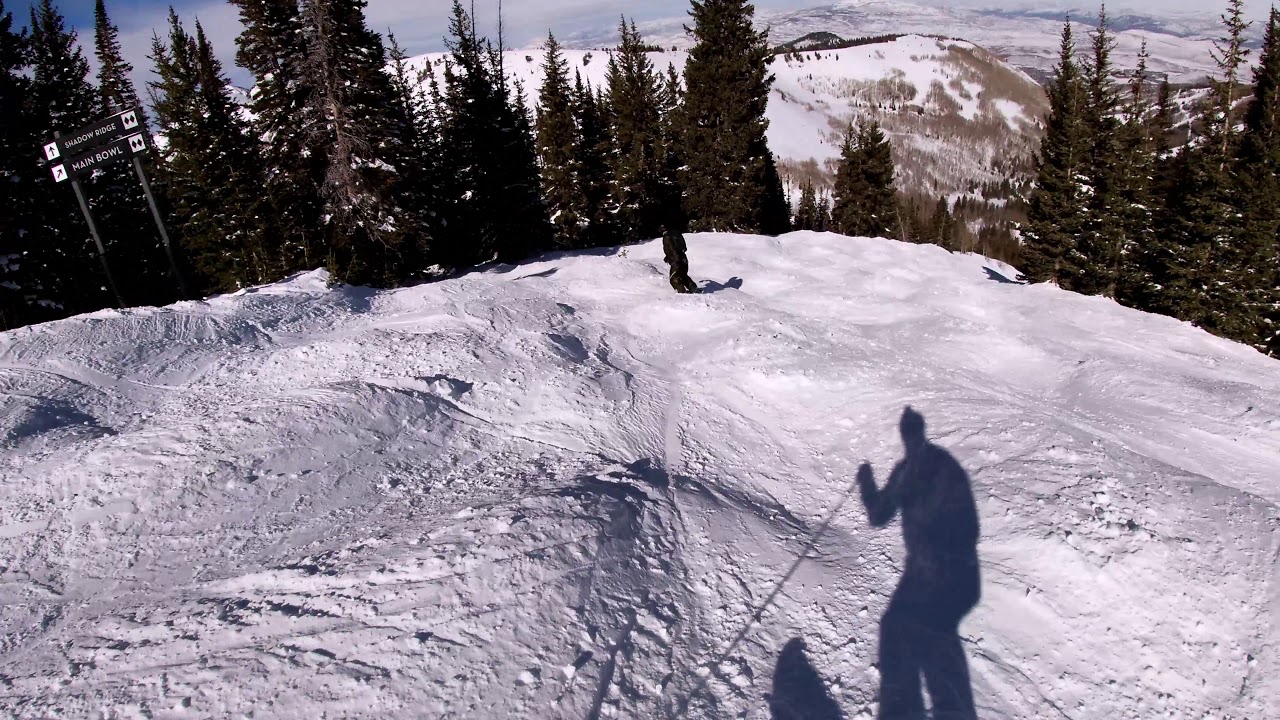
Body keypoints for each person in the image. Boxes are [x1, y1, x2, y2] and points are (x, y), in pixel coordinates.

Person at [858, 407, 980, 720]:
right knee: (900, 628)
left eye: (912, 433)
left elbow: (968, 525)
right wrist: (866, 484)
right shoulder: (912, 470)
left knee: (924, 635)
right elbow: (879, 514)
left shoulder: (938, 467)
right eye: (907, 434)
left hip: (948, 572)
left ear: (919, 433)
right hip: (930, 572)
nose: (910, 439)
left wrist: (943, 553)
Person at [662, 224, 699, 294]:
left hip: (676, 260)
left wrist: (673, 258)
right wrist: (668, 257)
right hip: (684, 259)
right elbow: (683, 248)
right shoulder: (677, 234)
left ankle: (681, 291)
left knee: (673, 278)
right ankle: (692, 287)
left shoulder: (667, 237)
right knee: (682, 275)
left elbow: (671, 249)